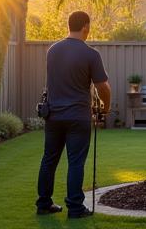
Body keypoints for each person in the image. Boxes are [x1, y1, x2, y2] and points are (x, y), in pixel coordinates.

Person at [36, 11, 111, 218]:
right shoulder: (91, 54)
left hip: (53, 115)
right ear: (85, 26)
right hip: (78, 116)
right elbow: (103, 87)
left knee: (49, 160)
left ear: (70, 25)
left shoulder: (52, 51)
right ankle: (76, 208)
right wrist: (106, 107)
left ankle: (43, 204)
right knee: (76, 162)